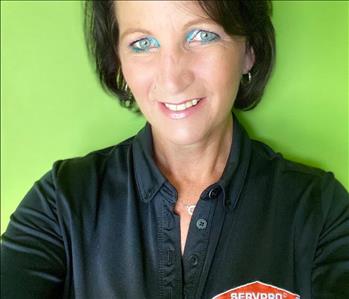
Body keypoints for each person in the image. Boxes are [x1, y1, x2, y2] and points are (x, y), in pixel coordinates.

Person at [1, 1, 348, 298]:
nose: (172, 78)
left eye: (201, 35)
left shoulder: (320, 211)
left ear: (249, 50)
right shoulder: (63, 202)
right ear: (119, 61)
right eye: (142, 43)